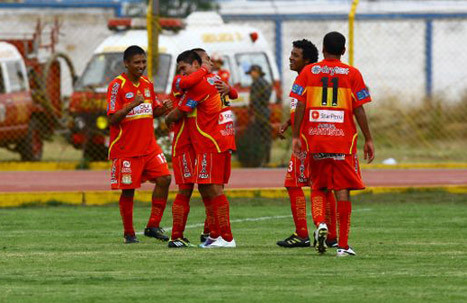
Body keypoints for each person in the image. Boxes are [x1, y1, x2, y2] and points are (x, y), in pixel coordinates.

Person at [291, 32, 375, 256]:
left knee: (318, 186)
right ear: (344, 51)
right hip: (342, 141)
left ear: (323, 48)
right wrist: (368, 138)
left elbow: (299, 103)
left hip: (316, 138)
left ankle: (320, 223)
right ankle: (343, 246)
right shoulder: (352, 73)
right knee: (342, 190)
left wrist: (297, 135)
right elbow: (359, 107)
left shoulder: (309, 72)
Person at [166, 49, 238, 248]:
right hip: (198, 142)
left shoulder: (205, 83)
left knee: (208, 188)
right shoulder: (186, 81)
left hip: (208, 142)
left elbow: (180, 111)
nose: (209, 64)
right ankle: (212, 235)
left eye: (208, 61)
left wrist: (168, 116)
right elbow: (233, 94)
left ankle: (224, 236)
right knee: (201, 187)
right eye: (206, 61)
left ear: (196, 64)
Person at [107, 45, 172, 244]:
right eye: (137, 62)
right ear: (126, 63)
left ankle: (153, 225)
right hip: (126, 148)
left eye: (143, 62)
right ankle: (129, 233)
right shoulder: (117, 85)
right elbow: (112, 119)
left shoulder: (147, 83)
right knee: (128, 190)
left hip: (149, 146)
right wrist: (131, 105)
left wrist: (164, 109)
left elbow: (153, 111)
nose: (141, 66)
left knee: (165, 178)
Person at [276, 39, 337, 249]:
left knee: (294, 184)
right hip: (318, 137)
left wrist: (296, 132)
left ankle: (302, 233)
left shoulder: (306, 76)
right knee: (324, 186)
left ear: (307, 60)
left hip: (306, 140)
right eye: (291, 54)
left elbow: (305, 105)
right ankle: (332, 236)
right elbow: (303, 106)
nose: (290, 58)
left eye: (295, 55)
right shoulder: (313, 75)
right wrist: (287, 122)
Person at [246, 64, 272, 165]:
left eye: (252, 72)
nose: (251, 75)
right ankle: (266, 159)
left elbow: (254, 101)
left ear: (256, 72)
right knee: (266, 137)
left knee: (257, 136)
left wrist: (253, 114)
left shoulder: (256, 84)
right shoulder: (266, 83)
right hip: (265, 111)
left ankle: (259, 159)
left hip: (258, 112)